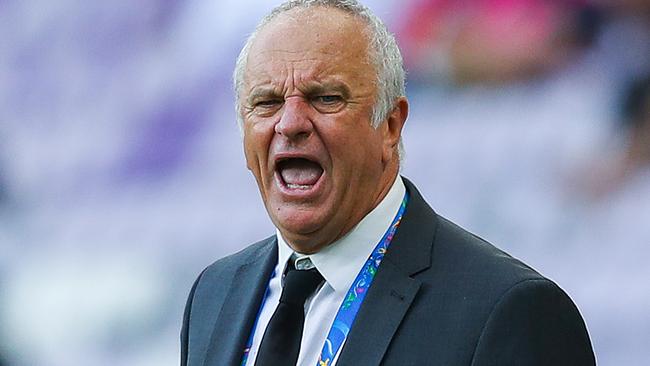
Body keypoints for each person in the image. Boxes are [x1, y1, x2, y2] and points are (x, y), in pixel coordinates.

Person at [180, 1, 595, 365]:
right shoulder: (214, 295)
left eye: (326, 98)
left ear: (390, 125)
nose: (289, 124)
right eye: (266, 103)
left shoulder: (509, 312)